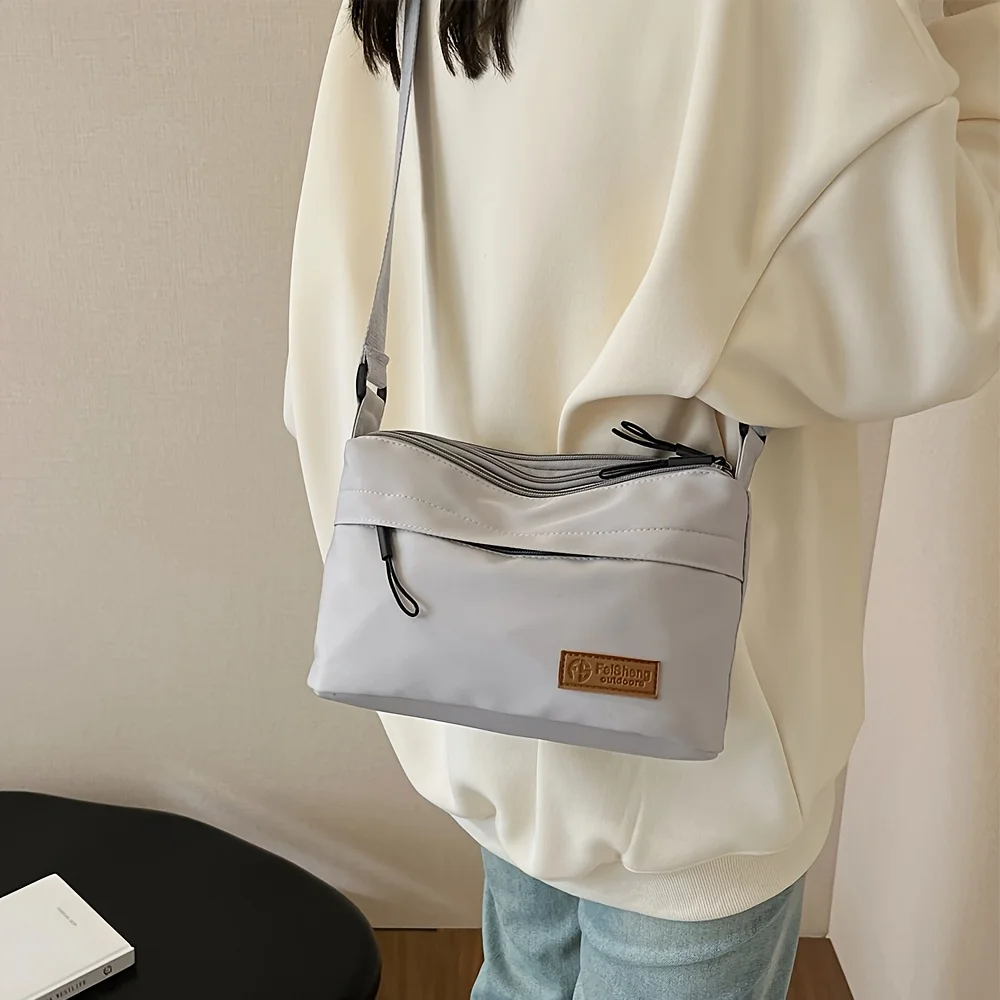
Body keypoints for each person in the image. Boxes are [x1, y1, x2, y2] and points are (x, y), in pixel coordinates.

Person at [285, 1, 999, 997]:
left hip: (473, 660)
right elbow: (937, 292)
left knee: (522, 975)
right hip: (690, 742)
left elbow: (336, 296)